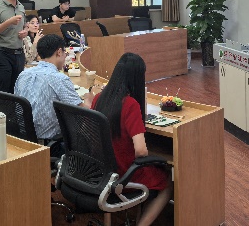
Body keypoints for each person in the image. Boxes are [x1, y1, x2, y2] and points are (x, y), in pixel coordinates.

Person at [92, 53, 172, 226]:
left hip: (101, 172)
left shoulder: (99, 98)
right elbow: (141, 151)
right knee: (167, 182)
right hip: (124, 175)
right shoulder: (130, 105)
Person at [14, 34, 92, 150]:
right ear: (59, 52)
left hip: (22, 140)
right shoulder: (59, 79)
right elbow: (83, 112)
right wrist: (88, 100)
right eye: (65, 53)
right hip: (49, 144)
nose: (65, 56)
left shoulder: (23, 74)